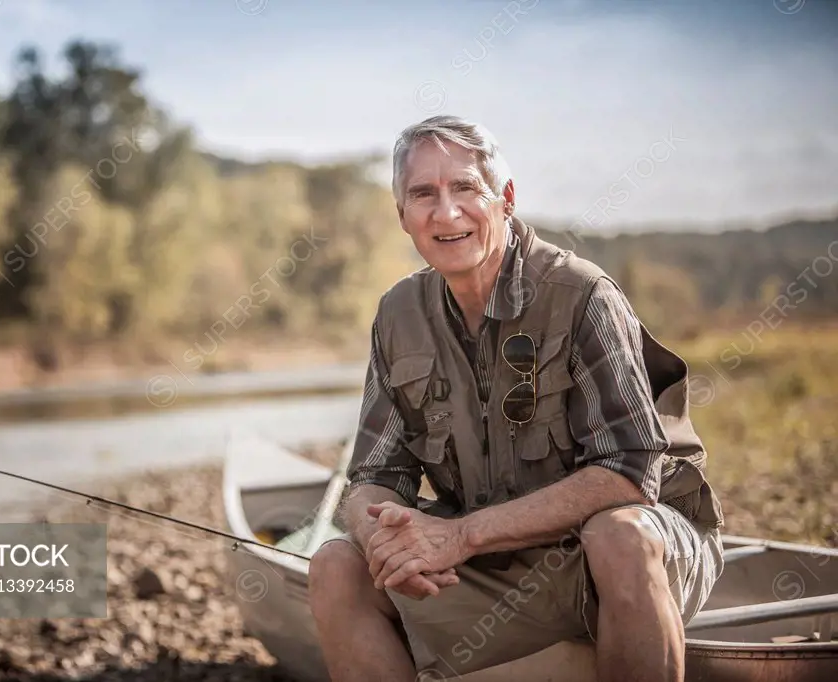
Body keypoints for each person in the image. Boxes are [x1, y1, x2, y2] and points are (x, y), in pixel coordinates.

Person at [308, 115, 725, 682]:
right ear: (402, 215)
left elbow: (630, 475)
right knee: (335, 564)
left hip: (635, 553)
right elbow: (374, 475)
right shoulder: (397, 315)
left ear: (505, 198)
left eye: (465, 189)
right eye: (423, 194)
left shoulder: (581, 295)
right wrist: (382, 539)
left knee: (618, 534)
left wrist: (459, 535)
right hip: (501, 564)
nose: (446, 212)